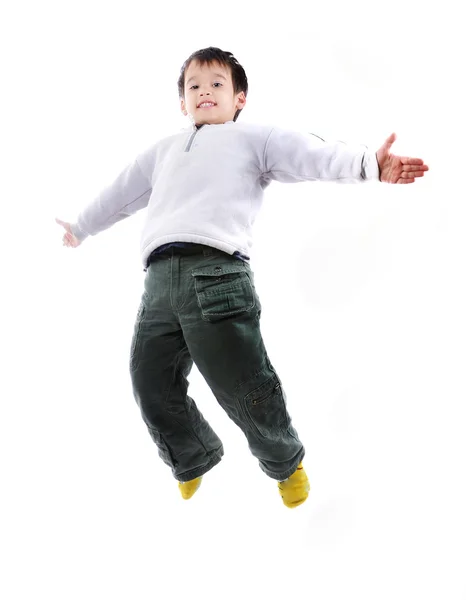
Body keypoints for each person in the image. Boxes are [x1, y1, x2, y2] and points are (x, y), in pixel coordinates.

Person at [56, 46, 429, 509]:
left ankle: (285, 463)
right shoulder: (162, 152)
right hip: (157, 285)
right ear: (182, 102)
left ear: (240, 99)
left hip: (217, 277)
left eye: (217, 84)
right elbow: (119, 194)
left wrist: (370, 164)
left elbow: (309, 154)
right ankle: (192, 456)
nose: (204, 92)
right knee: (148, 380)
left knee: (245, 387)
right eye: (194, 86)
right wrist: (80, 227)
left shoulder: (252, 138)